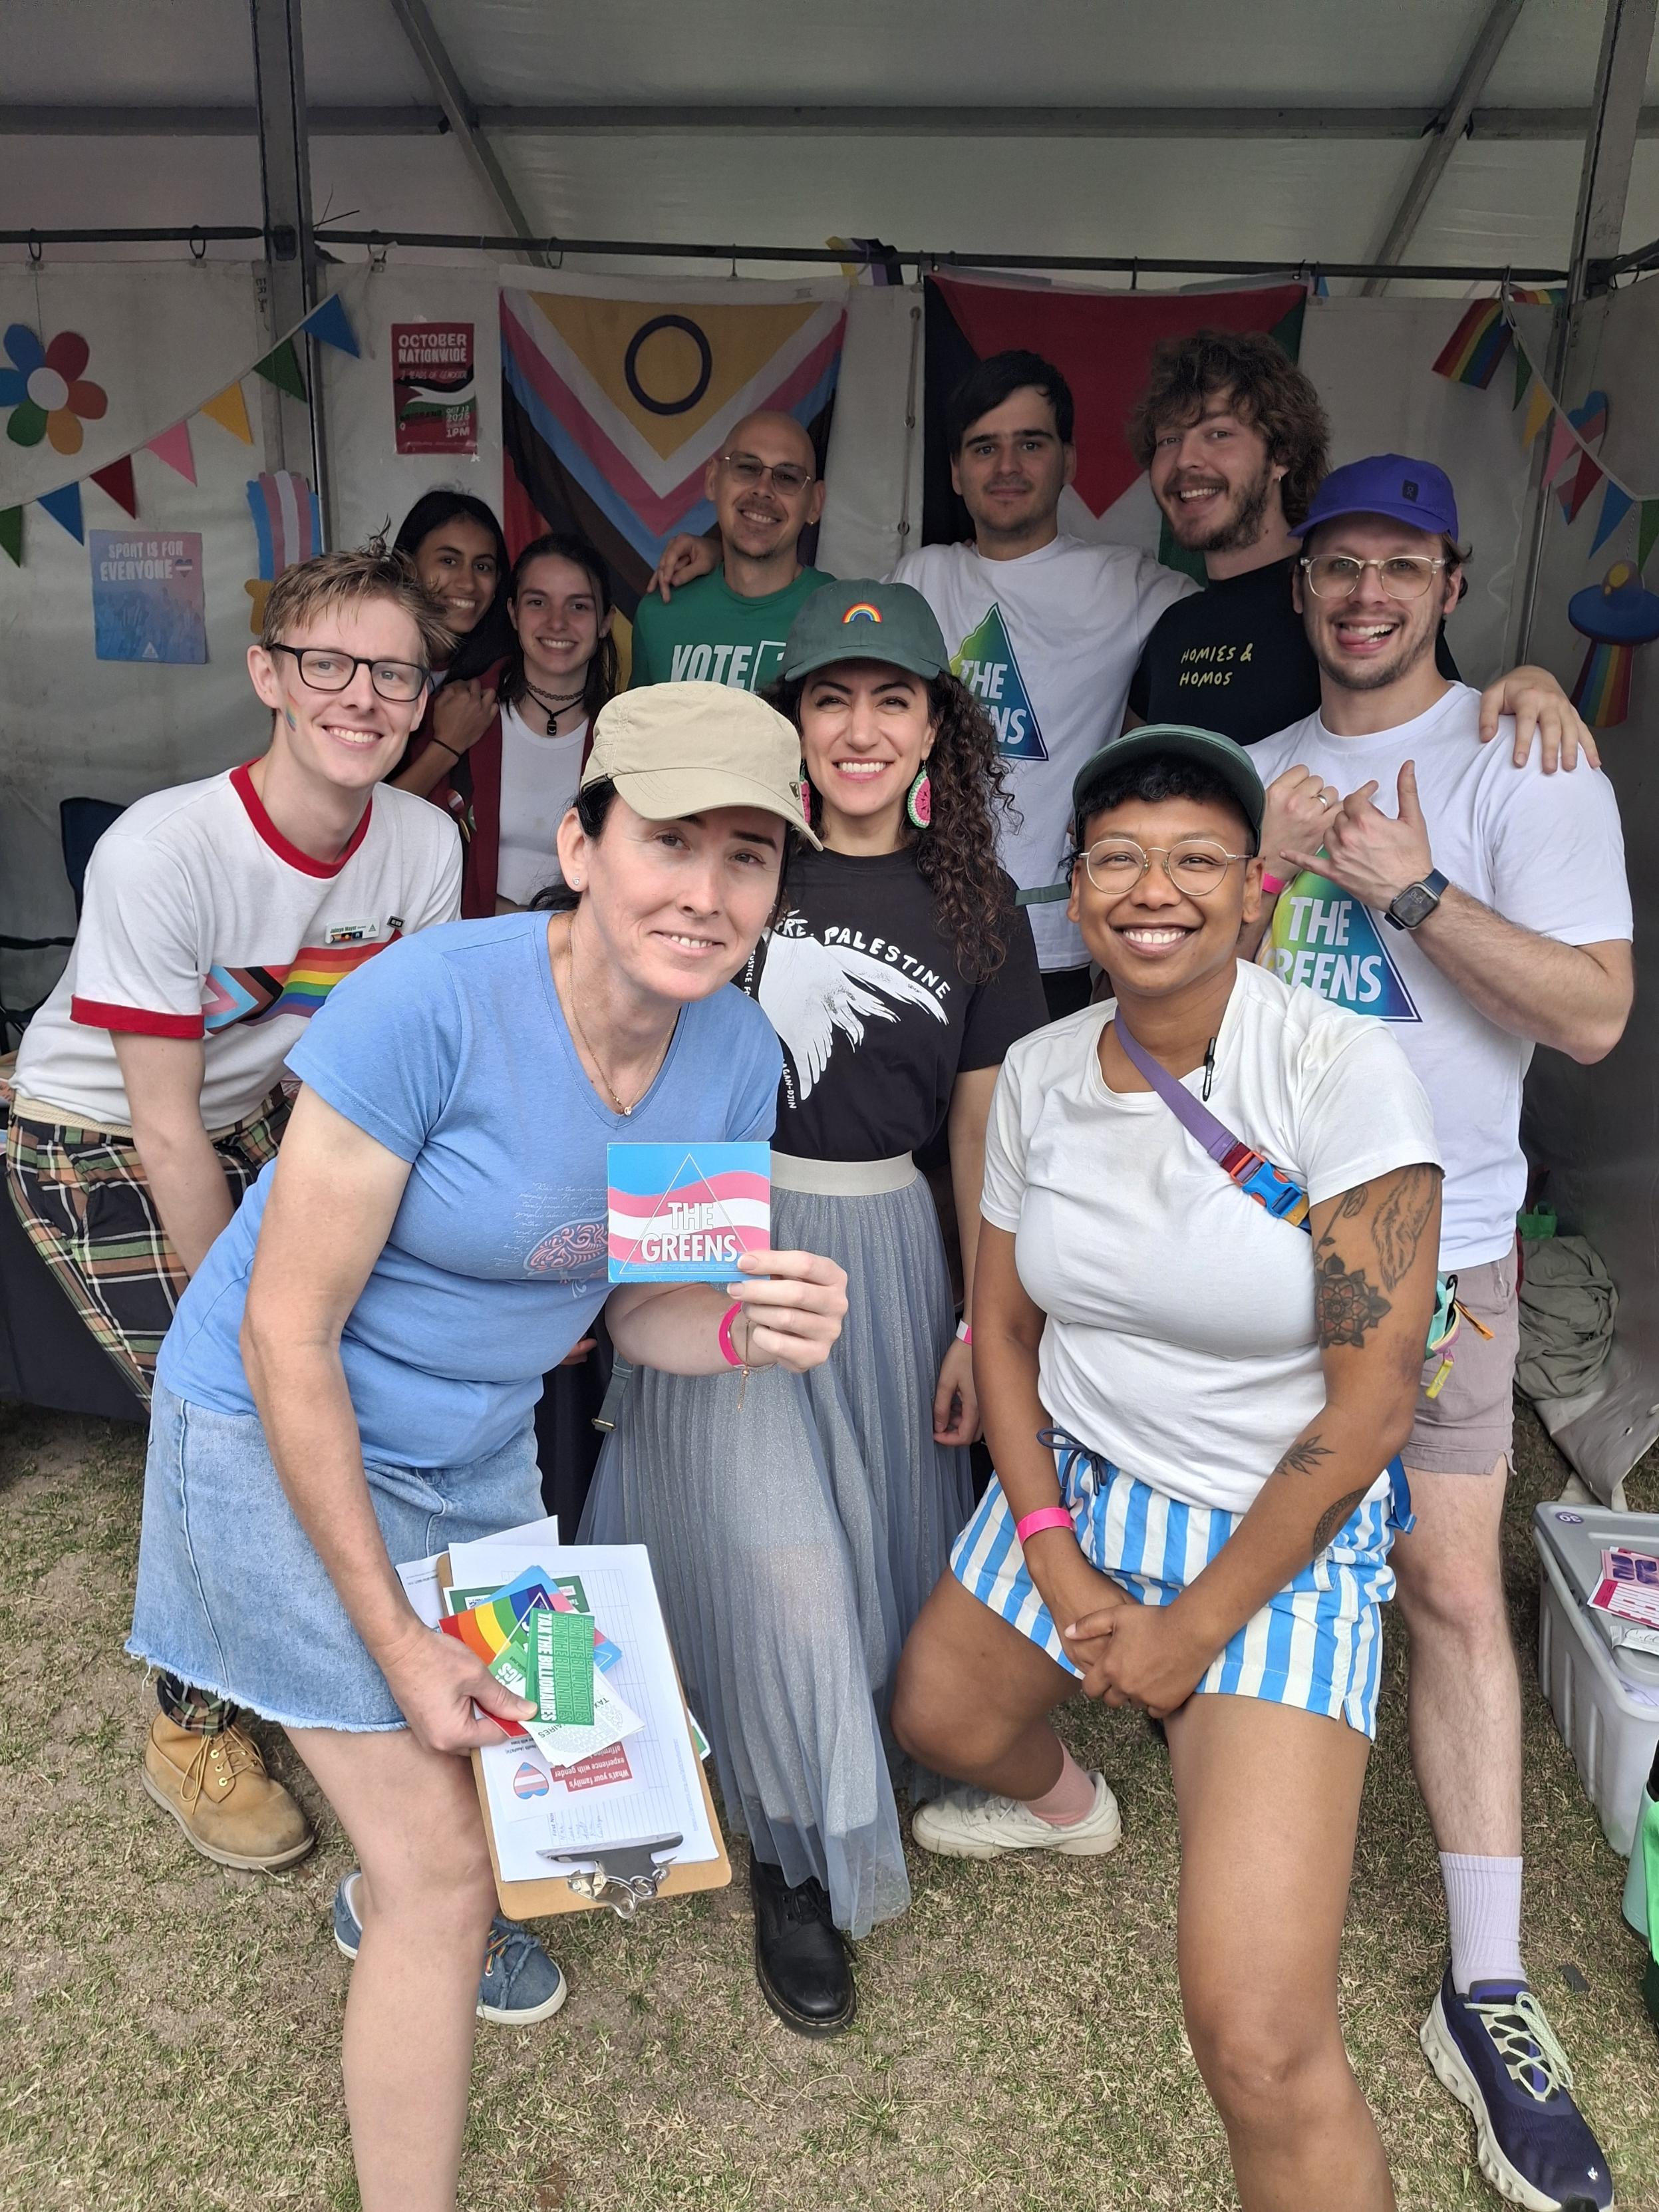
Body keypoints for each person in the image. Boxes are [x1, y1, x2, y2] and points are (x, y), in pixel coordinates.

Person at [125, 685, 847, 2212]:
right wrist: (392, 1635)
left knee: (493, 1801)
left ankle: (391, 1875)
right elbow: (281, 1333)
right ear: (580, 843)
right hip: (275, 1428)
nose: (705, 896)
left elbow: (641, 1309)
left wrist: (740, 1331)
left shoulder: (730, 1054)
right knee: (449, 1871)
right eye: (667, 843)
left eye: (748, 858)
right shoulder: (425, 1002)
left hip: (471, 1447)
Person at [892, 723, 1443, 2212]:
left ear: (1252, 889)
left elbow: (1372, 1405)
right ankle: (1076, 1801)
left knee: (1256, 2042)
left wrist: (1186, 1631)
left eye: (1197, 856)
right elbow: (1001, 1333)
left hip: (1279, 1523)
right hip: (1087, 1481)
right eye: (1118, 857)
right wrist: (1060, 1558)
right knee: (937, 1715)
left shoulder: (1342, 1073)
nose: (1156, 888)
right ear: (1072, 888)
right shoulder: (1043, 1075)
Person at [583, 579, 1046, 2035]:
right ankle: (792, 1850)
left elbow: (981, 1147)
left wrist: (979, 1321)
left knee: (863, 1538)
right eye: (830, 698)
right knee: (774, 1549)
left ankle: (824, 1760)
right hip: (718, 1220)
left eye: (890, 699)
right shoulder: (736, 864)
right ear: (791, 719)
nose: (858, 728)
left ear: (933, 730)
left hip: (886, 1246)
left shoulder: (977, 908)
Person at [1249, 454, 1632, 2212]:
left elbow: (1592, 1012)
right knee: (1270, 1543)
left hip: (1439, 1235)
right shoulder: (1260, 770)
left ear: (1446, 575)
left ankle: (1482, 1984)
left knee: (1448, 1587)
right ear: (1301, 577)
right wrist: (1257, 886)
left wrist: (1405, 887)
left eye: (1397, 565)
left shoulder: (1522, 754)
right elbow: (1185, 1012)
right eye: (1335, 564)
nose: (1360, 595)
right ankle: (1248, 1860)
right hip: (1271, 1230)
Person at [4, 544, 462, 1875]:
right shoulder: (166, 849)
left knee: (356, 1368)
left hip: (272, 1113)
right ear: (270, 674)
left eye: (395, 672)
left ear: (425, 696)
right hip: (97, 1135)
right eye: (329, 664)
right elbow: (161, 1122)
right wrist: (248, 1332)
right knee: (230, 1410)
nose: (363, 697)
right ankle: (190, 1726)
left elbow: (393, 1064)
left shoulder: (423, 843)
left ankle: (365, 1612)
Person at [1126, 327, 1595, 771]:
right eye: (1169, 438)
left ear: (1282, 454)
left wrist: (1534, 684)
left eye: (1218, 433)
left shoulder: (1343, 605)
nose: (1186, 458)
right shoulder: (1172, 628)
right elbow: (1130, 780)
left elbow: (1443, 730)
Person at [398, 530, 619, 916]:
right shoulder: (457, 709)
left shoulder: (626, 736)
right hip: (465, 950)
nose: (557, 623)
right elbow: (392, 831)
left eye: (579, 607)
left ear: (606, 622)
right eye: (538, 602)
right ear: (514, 613)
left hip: (578, 962)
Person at [632, 408, 831, 694]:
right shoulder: (659, 616)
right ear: (713, 480)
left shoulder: (840, 616)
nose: (763, 490)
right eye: (747, 468)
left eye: (787, 477)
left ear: (815, 503)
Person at [388, 490, 514, 806]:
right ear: (407, 566)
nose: (468, 583)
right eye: (449, 561)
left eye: (482, 567)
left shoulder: (502, 678)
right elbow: (361, 818)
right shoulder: (368, 669)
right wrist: (447, 746)